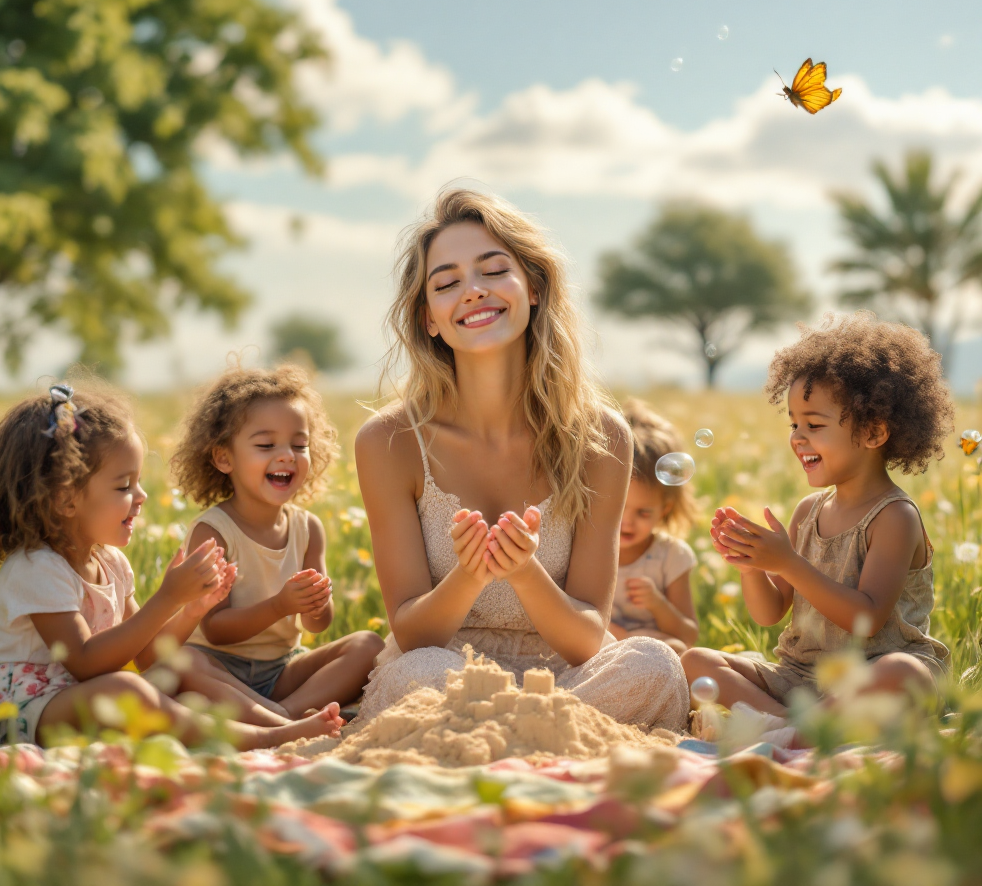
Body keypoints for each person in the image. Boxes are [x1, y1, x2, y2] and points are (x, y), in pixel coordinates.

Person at [355, 186, 690, 730]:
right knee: (411, 678)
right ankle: (546, 738)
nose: (472, 291)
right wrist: (469, 575)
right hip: (445, 672)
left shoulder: (602, 438)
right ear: (429, 320)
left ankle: (499, 737)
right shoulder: (388, 441)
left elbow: (587, 637)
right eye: (447, 283)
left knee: (655, 665)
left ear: (532, 288)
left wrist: (524, 572)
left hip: (565, 678)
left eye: (493, 270)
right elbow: (413, 637)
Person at [0, 382, 343, 748]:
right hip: (22, 711)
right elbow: (84, 663)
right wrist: (166, 597)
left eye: (138, 482)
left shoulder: (112, 563)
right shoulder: (37, 568)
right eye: (124, 486)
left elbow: (147, 655)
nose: (141, 496)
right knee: (125, 688)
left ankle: (278, 719)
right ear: (67, 500)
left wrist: (191, 610)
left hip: (83, 697)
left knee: (180, 664)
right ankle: (271, 735)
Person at [682, 313, 952, 715]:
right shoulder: (809, 511)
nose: (797, 437)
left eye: (813, 423)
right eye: (793, 423)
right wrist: (751, 565)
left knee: (903, 672)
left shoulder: (895, 517)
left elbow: (868, 618)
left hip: (870, 676)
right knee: (695, 662)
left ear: (874, 432)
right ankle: (797, 727)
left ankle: (786, 727)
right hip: (803, 678)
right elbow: (770, 613)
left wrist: (787, 562)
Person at [171, 364, 384, 720]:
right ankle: (283, 718)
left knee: (370, 646)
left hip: (283, 670)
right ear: (224, 458)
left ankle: (280, 714)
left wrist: (315, 604)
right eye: (266, 444)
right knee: (185, 662)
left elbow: (317, 626)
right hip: (220, 670)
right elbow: (215, 630)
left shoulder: (308, 529)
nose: (286, 454)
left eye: (299, 445)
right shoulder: (214, 531)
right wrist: (279, 605)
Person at [610, 400, 699, 656]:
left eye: (643, 512)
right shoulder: (589, 547)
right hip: (600, 646)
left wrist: (658, 605)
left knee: (678, 649)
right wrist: (624, 638)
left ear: (665, 509)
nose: (627, 521)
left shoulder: (671, 556)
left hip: (655, 654)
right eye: (619, 507)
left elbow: (688, 635)